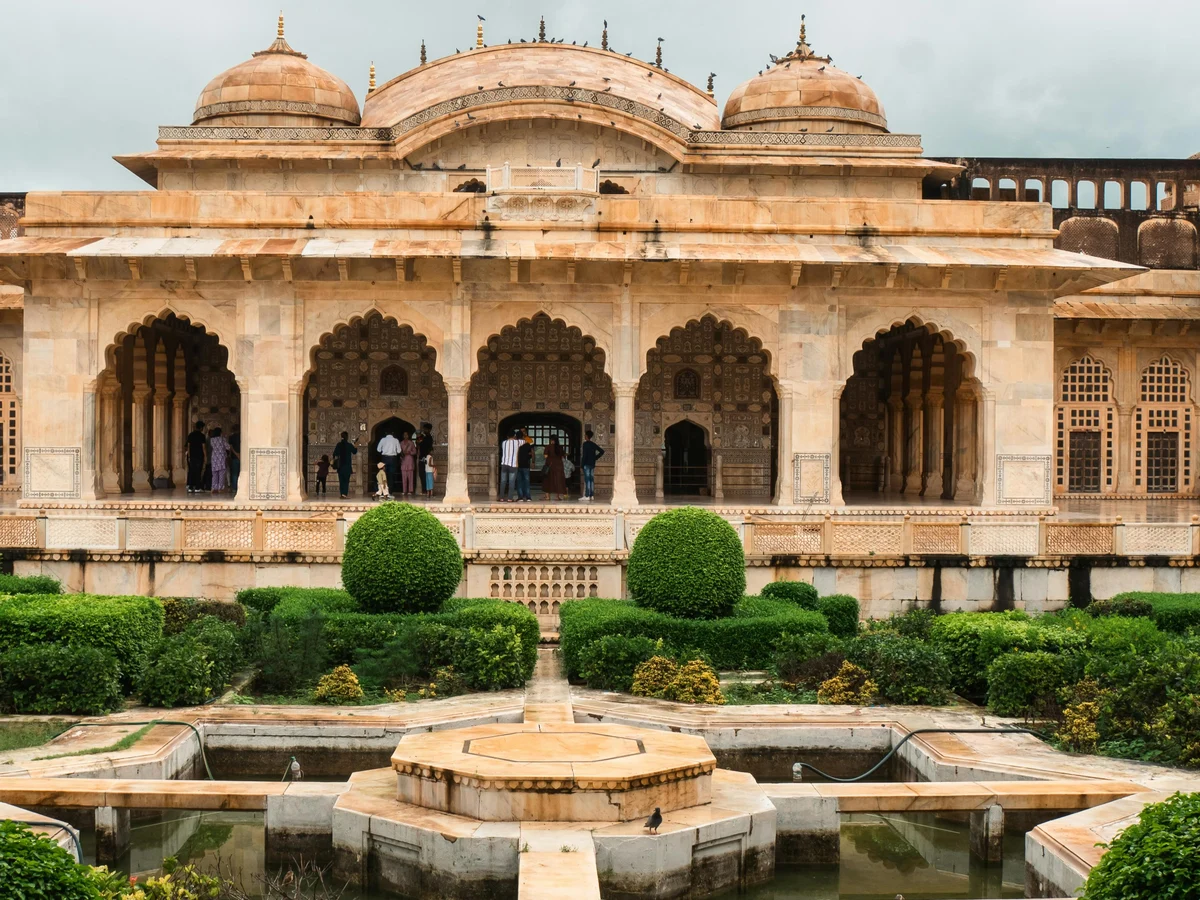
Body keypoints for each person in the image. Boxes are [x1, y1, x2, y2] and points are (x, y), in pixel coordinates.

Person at [580, 428, 605, 502]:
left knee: (587, 480)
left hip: (586, 464)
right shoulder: (593, 444)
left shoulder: (585, 444)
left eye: (585, 435)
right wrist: (595, 458)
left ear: (587, 436)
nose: (585, 436)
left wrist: (582, 464)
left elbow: (584, 455)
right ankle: (592, 495)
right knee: (591, 480)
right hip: (592, 464)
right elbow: (602, 451)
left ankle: (587, 495)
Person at [332, 431, 357, 499]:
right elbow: (354, 452)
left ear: (341, 436)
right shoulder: (349, 445)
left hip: (340, 466)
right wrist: (355, 445)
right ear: (347, 437)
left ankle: (342, 494)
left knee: (341, 481)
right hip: (347, 466)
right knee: (346, 481)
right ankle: (344, 494)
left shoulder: (339, 445)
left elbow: (334, 454)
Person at [185, 421, 207, 494]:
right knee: (198, 472)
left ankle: (190, 487)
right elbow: (203, 447)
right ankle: (198, 487)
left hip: (192, 457)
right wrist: (205, 457)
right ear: (201, 427)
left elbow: (188, 446)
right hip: (199, 456)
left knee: (191, 471)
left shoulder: (190, 435)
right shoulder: (202, 436)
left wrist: (189, 456)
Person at [542, 435, 567, 501]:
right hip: (559, 466)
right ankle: (557, 497)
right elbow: (562, 456)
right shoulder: (560, 447)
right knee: (558, 480)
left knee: (548, 480)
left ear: (551, 440)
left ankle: (547, 496)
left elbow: (545, 456)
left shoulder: (548, 447)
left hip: (550, 465)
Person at [499, 429, 521, 501]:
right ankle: (510, 498)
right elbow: (529, 441)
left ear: (507, 436)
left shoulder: (504, 443)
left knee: (503, 481)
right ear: (514, 436)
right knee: (511, 482)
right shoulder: (517, 442)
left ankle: (501, 498)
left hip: (504, 464)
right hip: (513, 465)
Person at [208, 427, 230, 494]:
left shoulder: (211, 440)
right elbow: (228, 447)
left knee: (214, 474)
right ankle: (220, 488)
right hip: (221, 458)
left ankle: (214, 488)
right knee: (221, 473)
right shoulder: (222, 439)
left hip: (214, 458)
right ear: (220, 432)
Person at [516, 430, 533, 502]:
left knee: (519, 481)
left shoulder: (515, 444)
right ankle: (528, 497)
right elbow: (531, 453)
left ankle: (520, 497)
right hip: (526, 464)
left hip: (517, 465)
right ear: (523, 436)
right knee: (526, 481)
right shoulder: (527, 444)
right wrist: (531, 460)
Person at [416, 423, 434, 493]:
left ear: (429, 430)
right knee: (422, 474)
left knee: (424, 474)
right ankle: (425, 490)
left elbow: (423, 446)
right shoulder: (423, 437)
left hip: (425, 458)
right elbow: (418, 443)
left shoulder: (429, 438)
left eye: (425, 429)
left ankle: (426, 490)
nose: (424, 430)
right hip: (422, 457)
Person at [399, 431, 418, 495]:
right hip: (403, 460)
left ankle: (410, 490)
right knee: (404, 476)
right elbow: (399, 452)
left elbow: (415, 451)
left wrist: (410, 452)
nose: (405, 436)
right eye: (404, 435)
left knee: (410, 476)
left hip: (409, 459)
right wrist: (402, 454)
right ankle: (404, 491)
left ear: (408, 435)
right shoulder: (401, 443)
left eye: (406, 435)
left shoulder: (411, 443)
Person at [227, 426, 241, 494]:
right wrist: (240, 454)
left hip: (234, 457)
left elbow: (231, 447)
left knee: (234, 473)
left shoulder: (231, 437)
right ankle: (241, 487)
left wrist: (236, 454)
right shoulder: (242, 436)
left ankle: (235, 488)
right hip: (243, 457)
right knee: (241, 472)